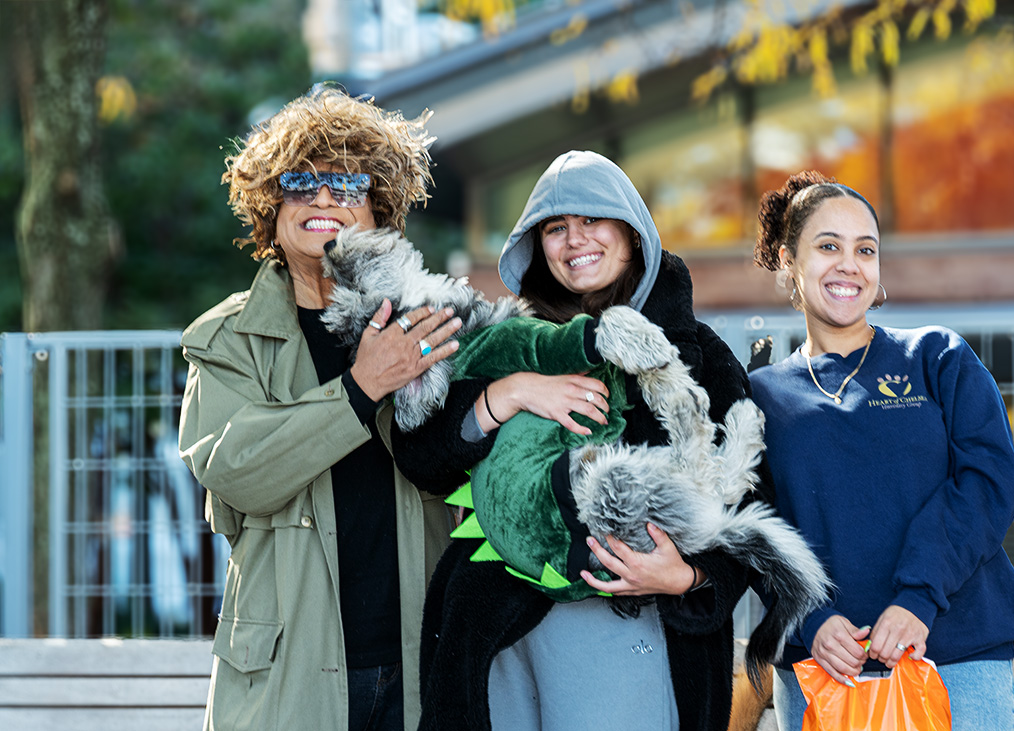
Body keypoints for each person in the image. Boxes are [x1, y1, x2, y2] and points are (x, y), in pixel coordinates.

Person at [391, 150, 774, 731]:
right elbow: (421, 455)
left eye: (592, 220)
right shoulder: (510, 339)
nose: (575, 241)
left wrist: (690, 579)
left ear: (631, 231)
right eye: (555, 228)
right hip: (506, 634)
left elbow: (752, 495)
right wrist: (510, 394)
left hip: (632, 619)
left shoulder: (697, 352)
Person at [177, 86, 462, 731]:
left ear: (380, 210)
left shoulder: (430, 322)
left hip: (428, 658)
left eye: (349, 184)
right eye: (301, 182)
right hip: (286, 676)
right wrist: (361, 388)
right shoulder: (226, 339)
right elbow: (236, 468)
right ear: (270, 208)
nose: (325, 199)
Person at [748, 171, 1014, 731]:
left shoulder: (938, 357)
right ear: (787, 261)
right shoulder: (760, 397)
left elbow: (987, 483)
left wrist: (917, 597)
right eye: (828, 246)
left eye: (865, 250)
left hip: (954, 656)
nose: (850, 265)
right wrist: (810, 619)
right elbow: (752, 525)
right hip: (824, 670)